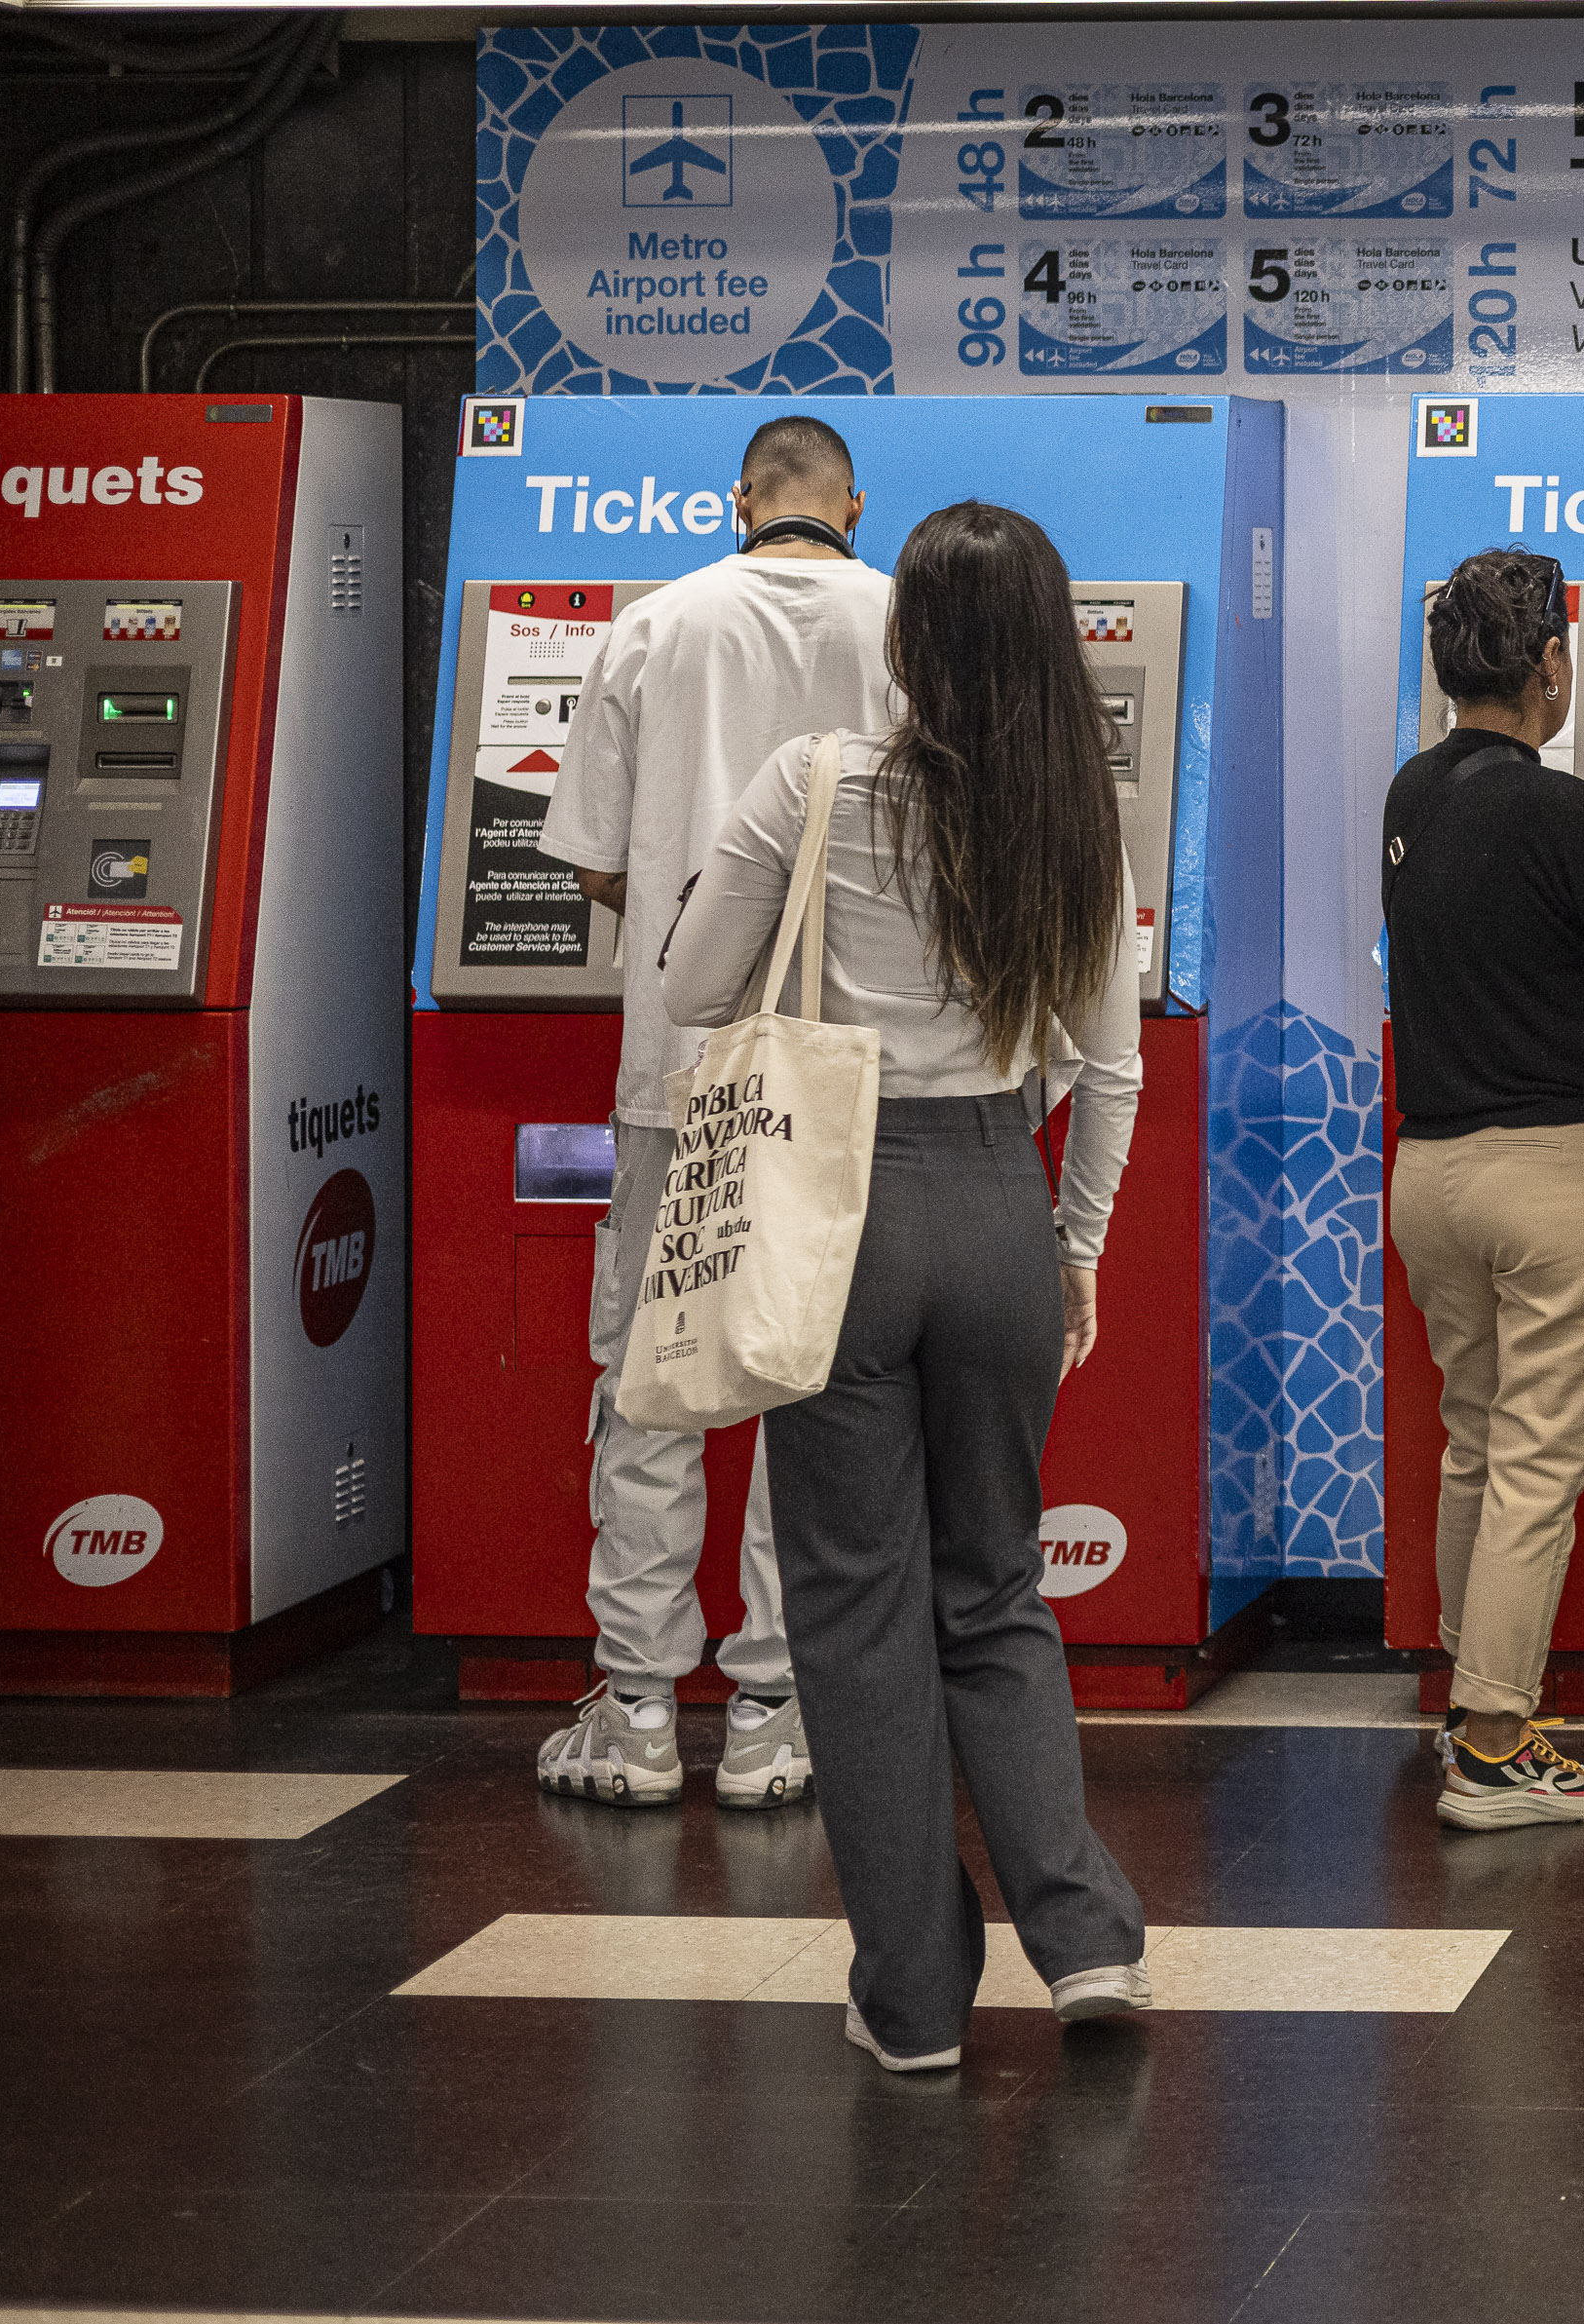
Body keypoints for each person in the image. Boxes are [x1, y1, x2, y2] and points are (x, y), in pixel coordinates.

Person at [660, 499, 1150, 2070]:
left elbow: (687, 984)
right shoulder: (1085, 820)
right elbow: (1113, 1069)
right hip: (999, 1204)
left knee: (859, 1609)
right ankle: (1082, 1944)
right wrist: (1072, 1247)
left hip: (836, 1212)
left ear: (907, 636)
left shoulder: (815, 784)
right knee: (996, 1588)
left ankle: (919, 1999)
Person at [528, 414, 891, 1812]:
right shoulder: (903, 620)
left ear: (740, 501)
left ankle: (631, 1705)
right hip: (837, 1078)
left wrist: (702, 938)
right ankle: (770, 1713)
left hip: (675, 1068)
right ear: (854, 503)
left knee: (653, 1376)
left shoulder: (651, 624)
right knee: (806, 1381)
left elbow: (597, 863)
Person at [1383, 547, 1584, 1829]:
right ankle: (1498, 1745)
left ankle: (1468, 1695)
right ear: (1551, 666)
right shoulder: (1568, 812)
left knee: (1477, 1438)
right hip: (1558, 1169)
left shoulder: (1412, 789)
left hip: (1433, 1169)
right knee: (1538, 1464)